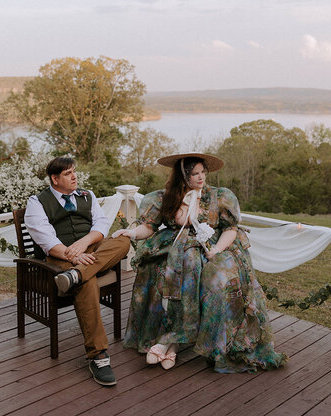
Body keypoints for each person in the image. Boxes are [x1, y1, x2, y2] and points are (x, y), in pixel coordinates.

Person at [113, 152, 287, 373]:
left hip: (214, 245)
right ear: (182, 176)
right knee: (159, 268)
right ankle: (172, 343)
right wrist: (129, 232)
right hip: (175, 244)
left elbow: (231, 230)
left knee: (218, 278)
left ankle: (173, 342)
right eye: (194, 173)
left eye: (203, 172)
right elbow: (149, 227)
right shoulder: (166, 197)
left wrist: (216, 250)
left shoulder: (219, 197)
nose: (200, 177)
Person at [25, 156, 130, 386]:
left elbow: (101, 225)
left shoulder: (87, 195)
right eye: (67, 173)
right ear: (54, 179)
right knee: (87, 282)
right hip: (59, 257)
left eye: (74, 171)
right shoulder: (37, 202)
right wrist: (73, 254)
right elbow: (46, 239)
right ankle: (98, 356)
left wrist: (84, 244)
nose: (74, 176)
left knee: (122, 241)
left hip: (90, 251)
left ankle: (77, 274)